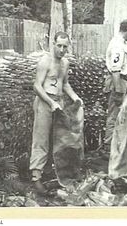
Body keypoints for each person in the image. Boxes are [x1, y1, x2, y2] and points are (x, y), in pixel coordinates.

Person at [30, 31, 83, 194]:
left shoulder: (65, 63)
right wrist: (51, 102)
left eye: (65, 47)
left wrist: (75, 98)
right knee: (41, 139)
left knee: (59, 139)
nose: (61, 49)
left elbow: (64, 83)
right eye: (59, 45)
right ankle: (36, 177)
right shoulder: (45, 61)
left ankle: (52, 173)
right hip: (45, 102)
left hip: (59, 102)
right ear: (53, 44)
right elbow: (37, 86)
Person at [103, 19, 127, 152]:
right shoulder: (117, 45)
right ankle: (108, 147)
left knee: (119, 114)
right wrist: (118, 91)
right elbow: (116, 70)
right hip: (117, 81)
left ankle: (114, 145)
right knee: (114, 114)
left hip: (122, 81)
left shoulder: (121, 43)